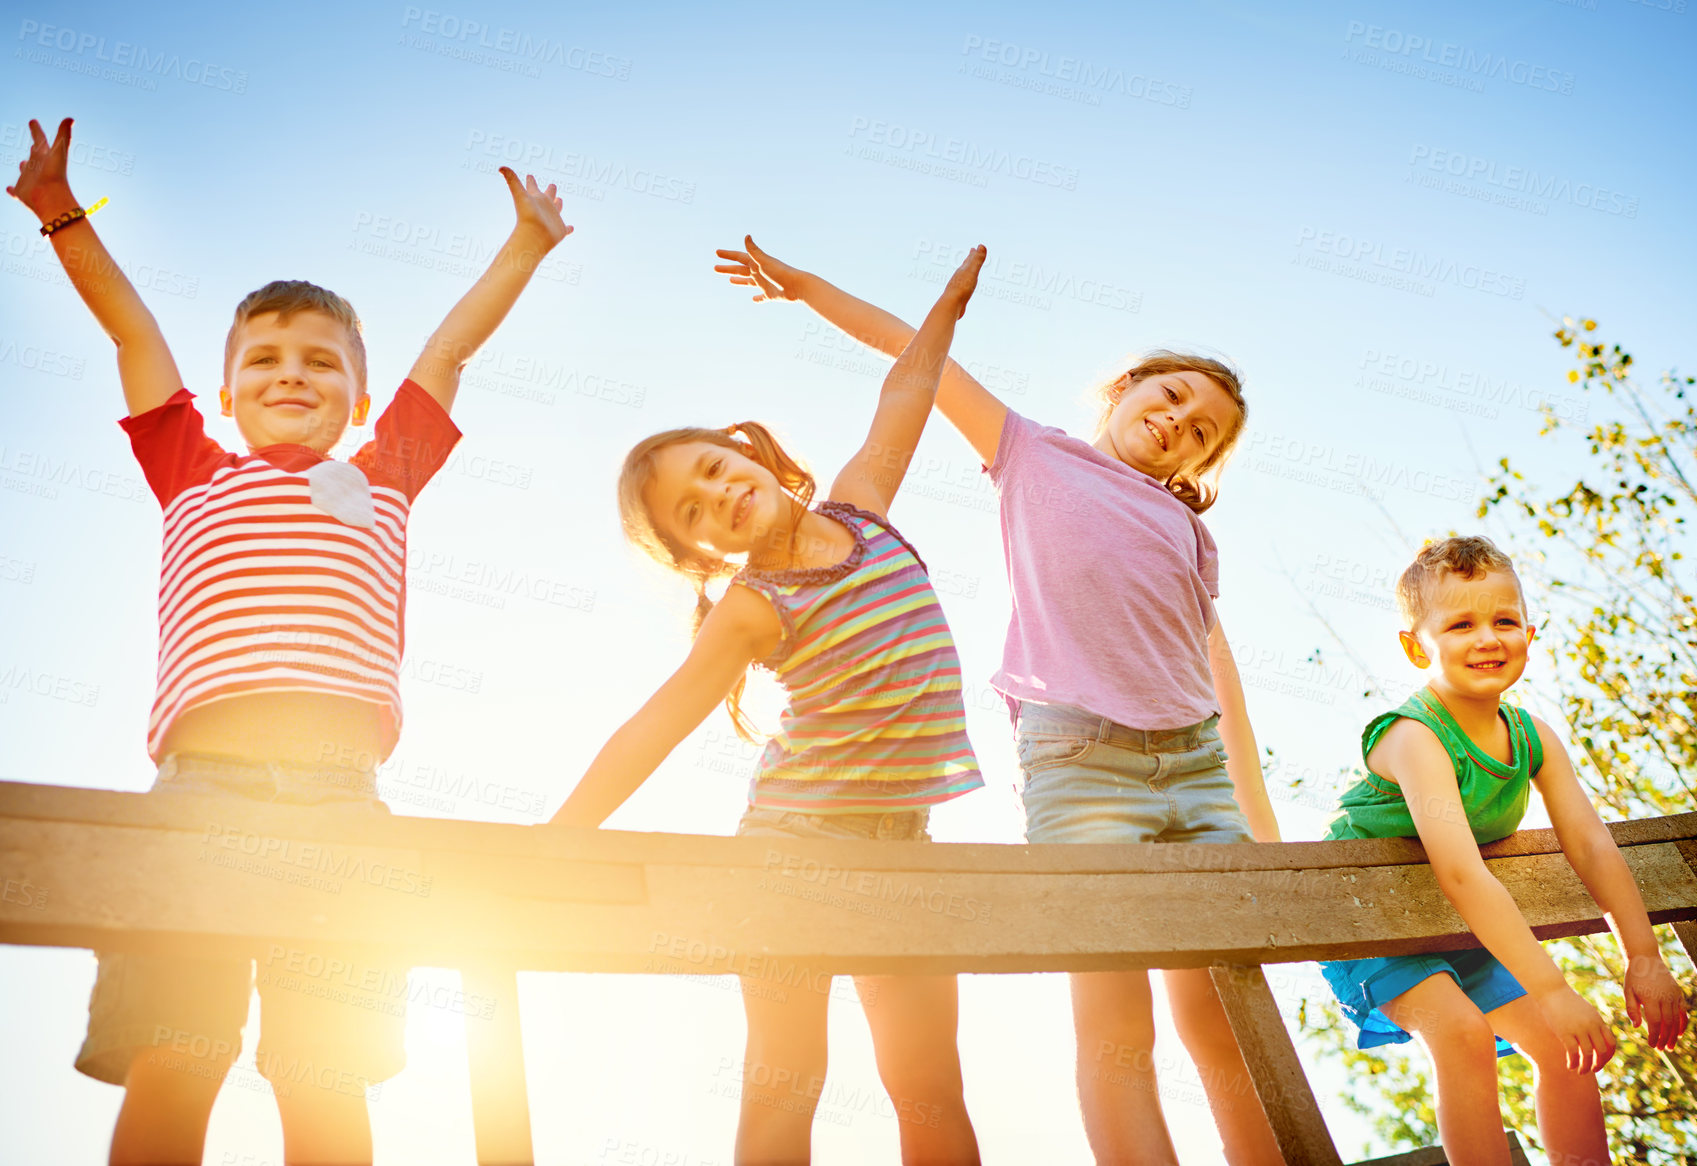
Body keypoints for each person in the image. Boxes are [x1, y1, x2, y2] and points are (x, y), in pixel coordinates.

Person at [7, 115, 571, 1166]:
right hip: (199, 785)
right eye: (263, 358)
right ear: (226, 394)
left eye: (321, 361)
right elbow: (134, 337)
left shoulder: (385, 471)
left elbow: (448, 349)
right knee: (177, 1049)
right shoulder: (192, 466)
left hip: (339, 793)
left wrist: (526, 246)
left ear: (359, 396)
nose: (292, 372)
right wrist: (63, 218)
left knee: (323, 1064)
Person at [711, 237, 1284, 1165]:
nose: (1182, 422)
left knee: (1224, 1008)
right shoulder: (1031, 453)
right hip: (1083, 763)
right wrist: (809, 287)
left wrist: (1250, 817)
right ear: (1127, 386)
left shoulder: (1183, 526)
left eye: (1205, 431)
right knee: (1114, 1020)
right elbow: (917, 360)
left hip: (1193, 767)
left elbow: (1219, 682)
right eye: (1173, 396)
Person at [549, 247, 989, 1164]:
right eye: (693, 511)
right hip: (793, 852)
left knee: (930, 1087)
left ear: (748, 455)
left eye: (713, 468)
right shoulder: (755, 606)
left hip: (903, 849)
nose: (718, 495)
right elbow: (657, 722)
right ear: (698, 554)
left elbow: (905, 395)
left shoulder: (862, 511)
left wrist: (938, 306)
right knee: (788, 1077)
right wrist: (563, 835)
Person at [1318, 535, 1687, 1165]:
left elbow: (1592, 845)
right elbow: (1462, 874)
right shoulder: (1415, 737)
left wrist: (1644, 956)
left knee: (1564, 1045)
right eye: (1461, 624)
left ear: (1530, 633)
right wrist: (1550, 988)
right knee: (1462, 1035)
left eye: (1504, 620)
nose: (1488, 638)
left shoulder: (1531, 736)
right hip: (1373, 920)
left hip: (1461, 927)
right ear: (1416, 646)